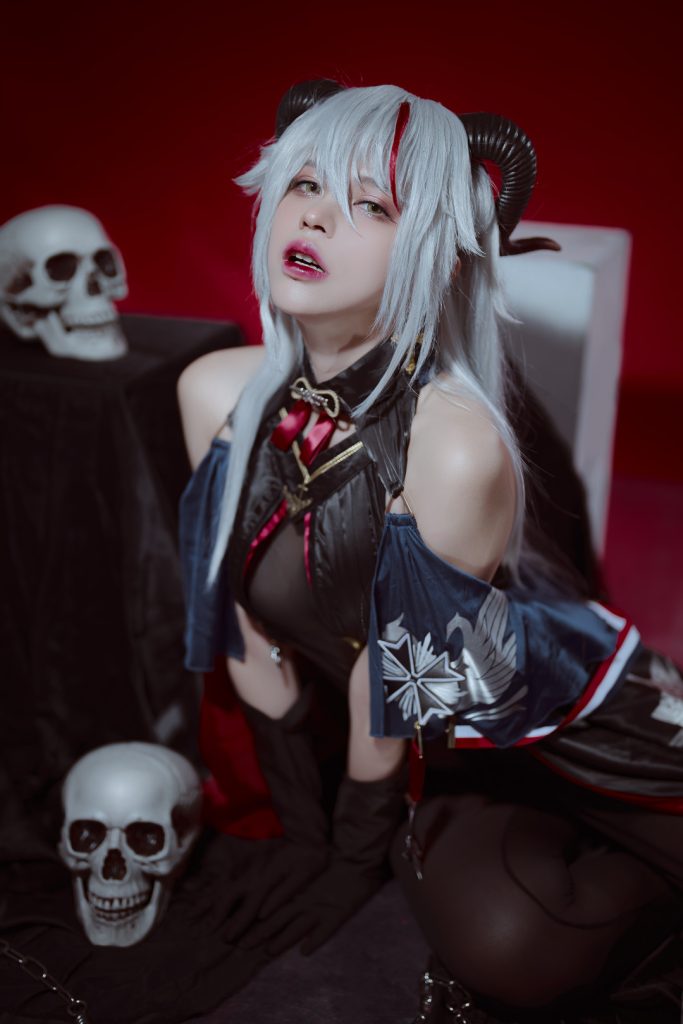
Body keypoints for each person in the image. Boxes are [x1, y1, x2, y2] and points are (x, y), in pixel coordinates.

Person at [177, 81, 683, 1023]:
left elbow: (392, 675)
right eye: (305, 185)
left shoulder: (451, 447)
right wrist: (300, 832)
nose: (316, 217)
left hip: (548, 718)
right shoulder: (214, 391)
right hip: (431, 753)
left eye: (371, 205)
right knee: (511, 947)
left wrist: (349, 852)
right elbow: (244, 626)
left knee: (529, 939)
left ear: (437, 255)